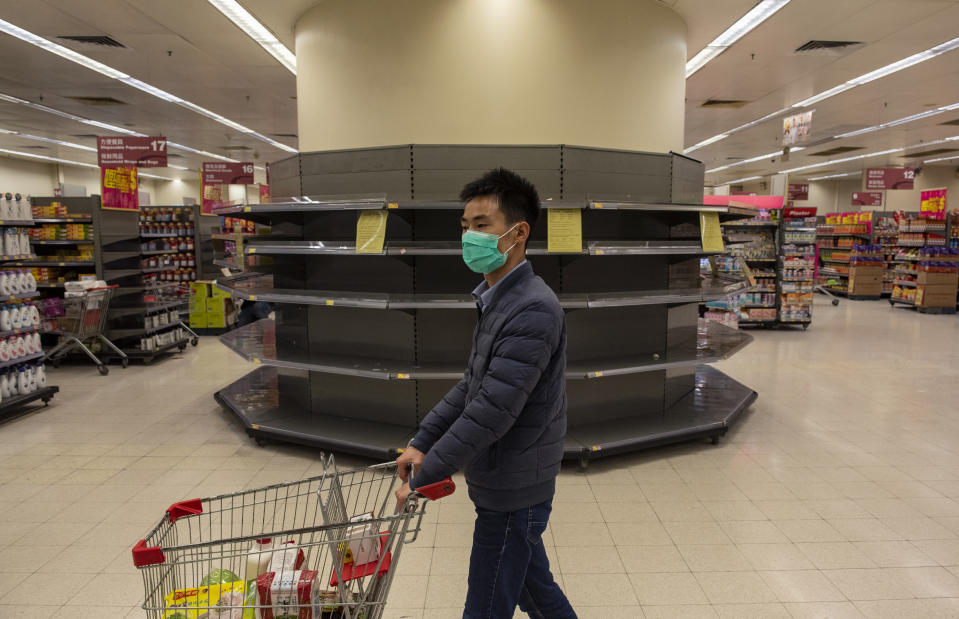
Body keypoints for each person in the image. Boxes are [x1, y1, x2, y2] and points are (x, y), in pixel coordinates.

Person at [395, 168, 576, 619]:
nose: (468, 237)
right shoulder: (497, 297)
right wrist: (423, 440)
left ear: (518, 233)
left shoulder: (532, 307)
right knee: (535, 592)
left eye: (481, 225)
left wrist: (424, 478)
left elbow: (492, 412)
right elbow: (472, 387)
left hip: (516, 487)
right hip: (505, 479)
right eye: (464, 226)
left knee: (486, 606)